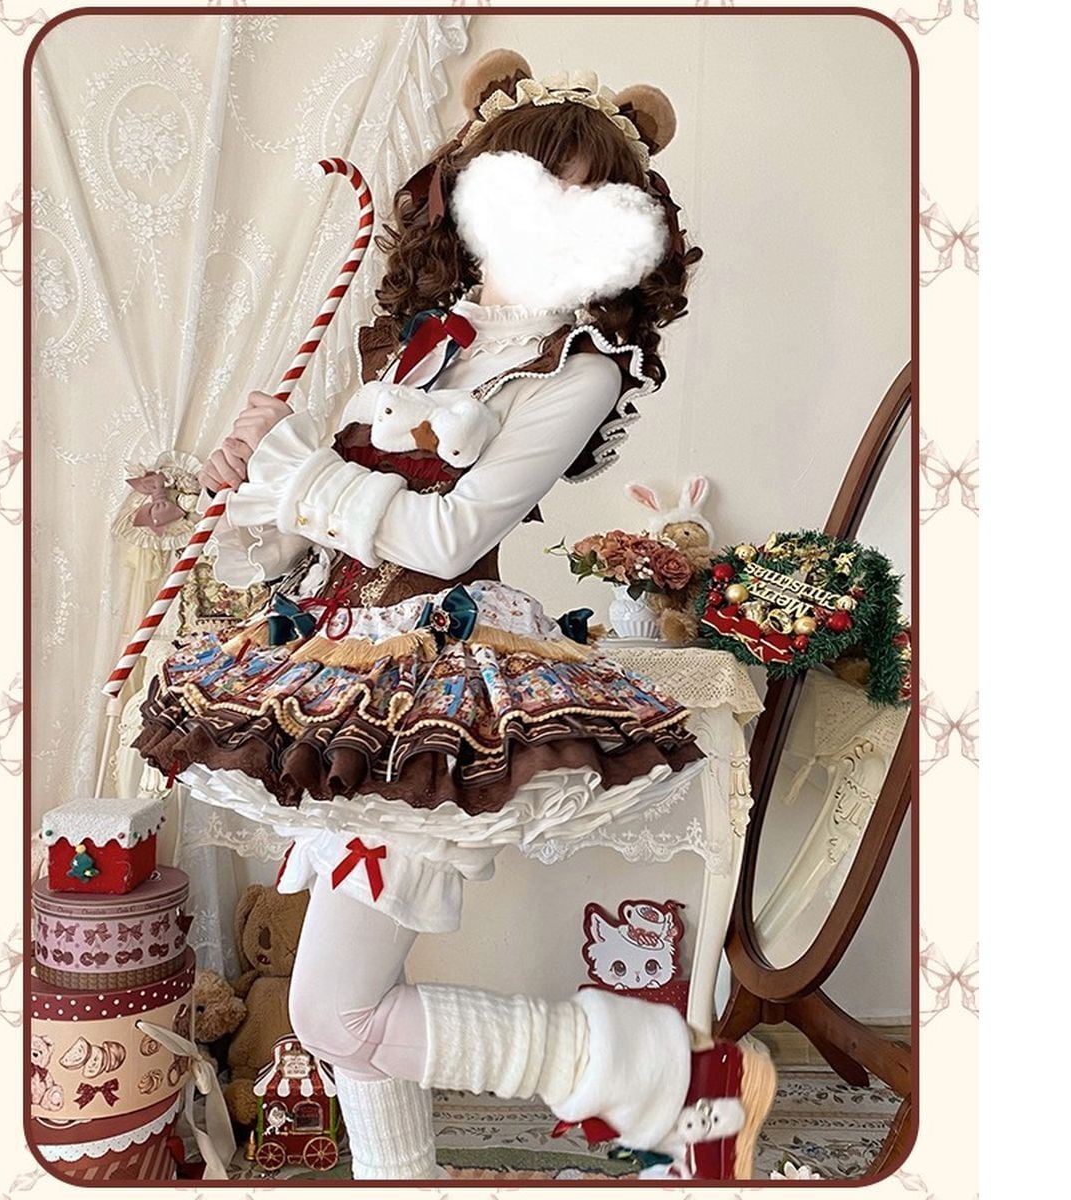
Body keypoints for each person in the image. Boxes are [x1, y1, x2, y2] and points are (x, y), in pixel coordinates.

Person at [137, 50, 771, 1179]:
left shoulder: (581, 367)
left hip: (423, 681)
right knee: (357, 1007)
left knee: (332, 1015)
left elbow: (441, 537)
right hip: (327, 666)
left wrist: (296, 472)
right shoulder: (425, 340)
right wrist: (241, 483)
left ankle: (667, 1077)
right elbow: (319, 532)